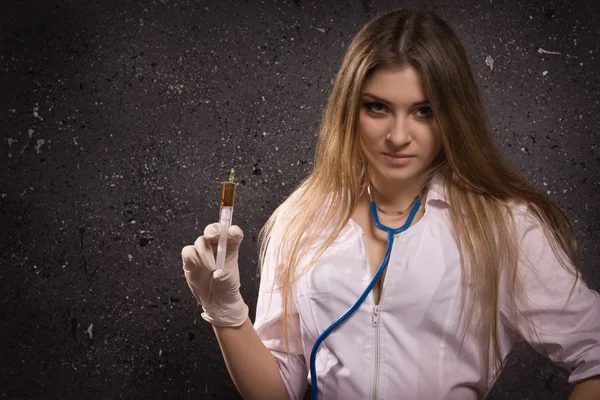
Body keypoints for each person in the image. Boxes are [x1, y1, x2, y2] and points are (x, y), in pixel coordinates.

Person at [180, 8, 600, 400]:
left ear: (454, 115)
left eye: (424, 111)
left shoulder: (504, 226)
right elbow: (279, 387)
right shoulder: (299, 221)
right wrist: (226, 314)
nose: (399, 136)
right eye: (377, 107)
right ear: (349, 109)